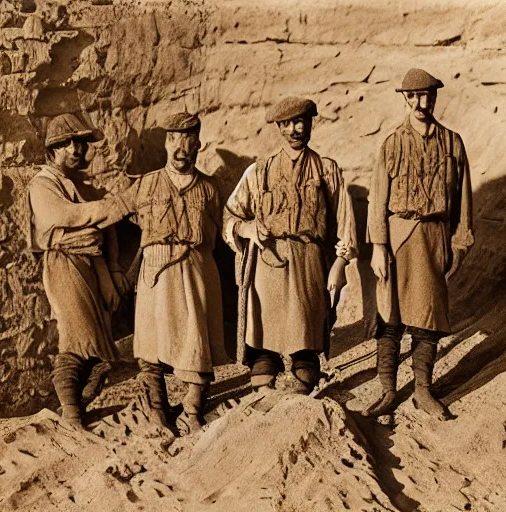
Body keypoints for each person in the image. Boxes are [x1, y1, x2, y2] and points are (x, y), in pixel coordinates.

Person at [223, 97, 357, 394]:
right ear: (280, 127)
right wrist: (245, 227)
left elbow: (345, 221)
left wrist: (340, 263)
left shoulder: (327, 170)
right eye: (290, 123)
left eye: (303, 122)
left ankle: (301, 388)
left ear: (310, 124)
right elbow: (230, 214)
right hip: (267, 264)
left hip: (308, 262)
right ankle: (264, 390)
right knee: (264, 340)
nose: (297, 129)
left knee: (305, 336)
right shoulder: (258, 172)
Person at [364, 68, 474, 419]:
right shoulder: (392, 143)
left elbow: (463, 200)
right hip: (397, 236)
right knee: (390, 318)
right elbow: (377, 199)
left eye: (428, 95)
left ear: (435, 97)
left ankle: (423, 391)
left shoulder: (452, 142)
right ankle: (388, 391)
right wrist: (378, 246)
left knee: (429, 318)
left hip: (433, 237)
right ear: (406, 99)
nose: (422, 103)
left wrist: (458, 242)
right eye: (415, 96)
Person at [117, 112, 227, 433]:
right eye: (175, 140)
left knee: (196, 340)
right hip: (155, 272)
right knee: (150, 343)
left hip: (195, 271)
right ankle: (158, 410)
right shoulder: (146, 184)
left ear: (198, 146)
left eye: (188, 142)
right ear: (166, 143)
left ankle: (192, 410)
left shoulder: (208, 188)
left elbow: (218, 232)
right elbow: (118, 215)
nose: (181, 149)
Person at [28, 113, 131, 429]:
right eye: (66, 143)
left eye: (80, 142)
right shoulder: (42, 184)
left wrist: (111, 272)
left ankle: (78, 405)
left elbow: (103, 232)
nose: (75, 148)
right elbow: (67, 216)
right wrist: (111, 207)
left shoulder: (76, 183)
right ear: (53, 149)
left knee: (99, 343)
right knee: (75, 340)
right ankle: (72, 414)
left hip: (89, 267)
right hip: (63, 268)